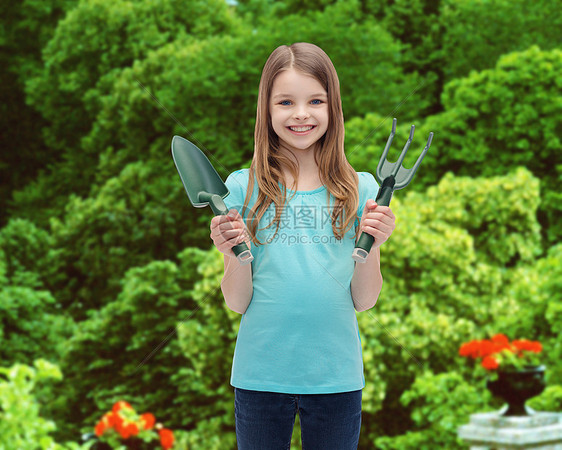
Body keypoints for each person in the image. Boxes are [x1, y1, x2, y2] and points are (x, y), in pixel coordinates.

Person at [210, 42, 395, 450]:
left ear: (333, 108)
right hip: (260, 376)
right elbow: (238, 302)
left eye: (315, 100)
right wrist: (231, 253)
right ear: (267, 110)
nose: (301, 114)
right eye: (285, 102)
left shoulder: (362, 190)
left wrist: (375, 241)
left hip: (336, 377)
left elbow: (364, 299)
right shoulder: (242, 188)